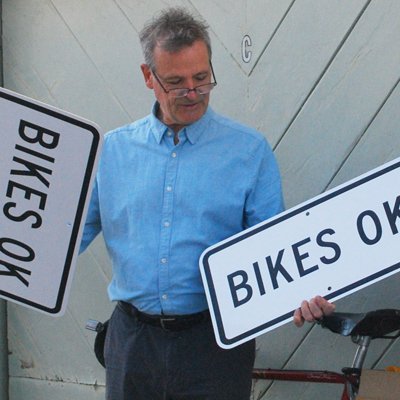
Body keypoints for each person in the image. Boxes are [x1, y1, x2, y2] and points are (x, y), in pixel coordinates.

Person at [80, 7, 334, 400]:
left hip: (216, 343)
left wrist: (303, 294)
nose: (193, 93)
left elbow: (277, 250)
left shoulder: (249, 152)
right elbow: (64, 237)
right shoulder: (111, 151)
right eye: (176, 82)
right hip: (131, 343)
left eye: (202, 78)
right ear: (148, 77)